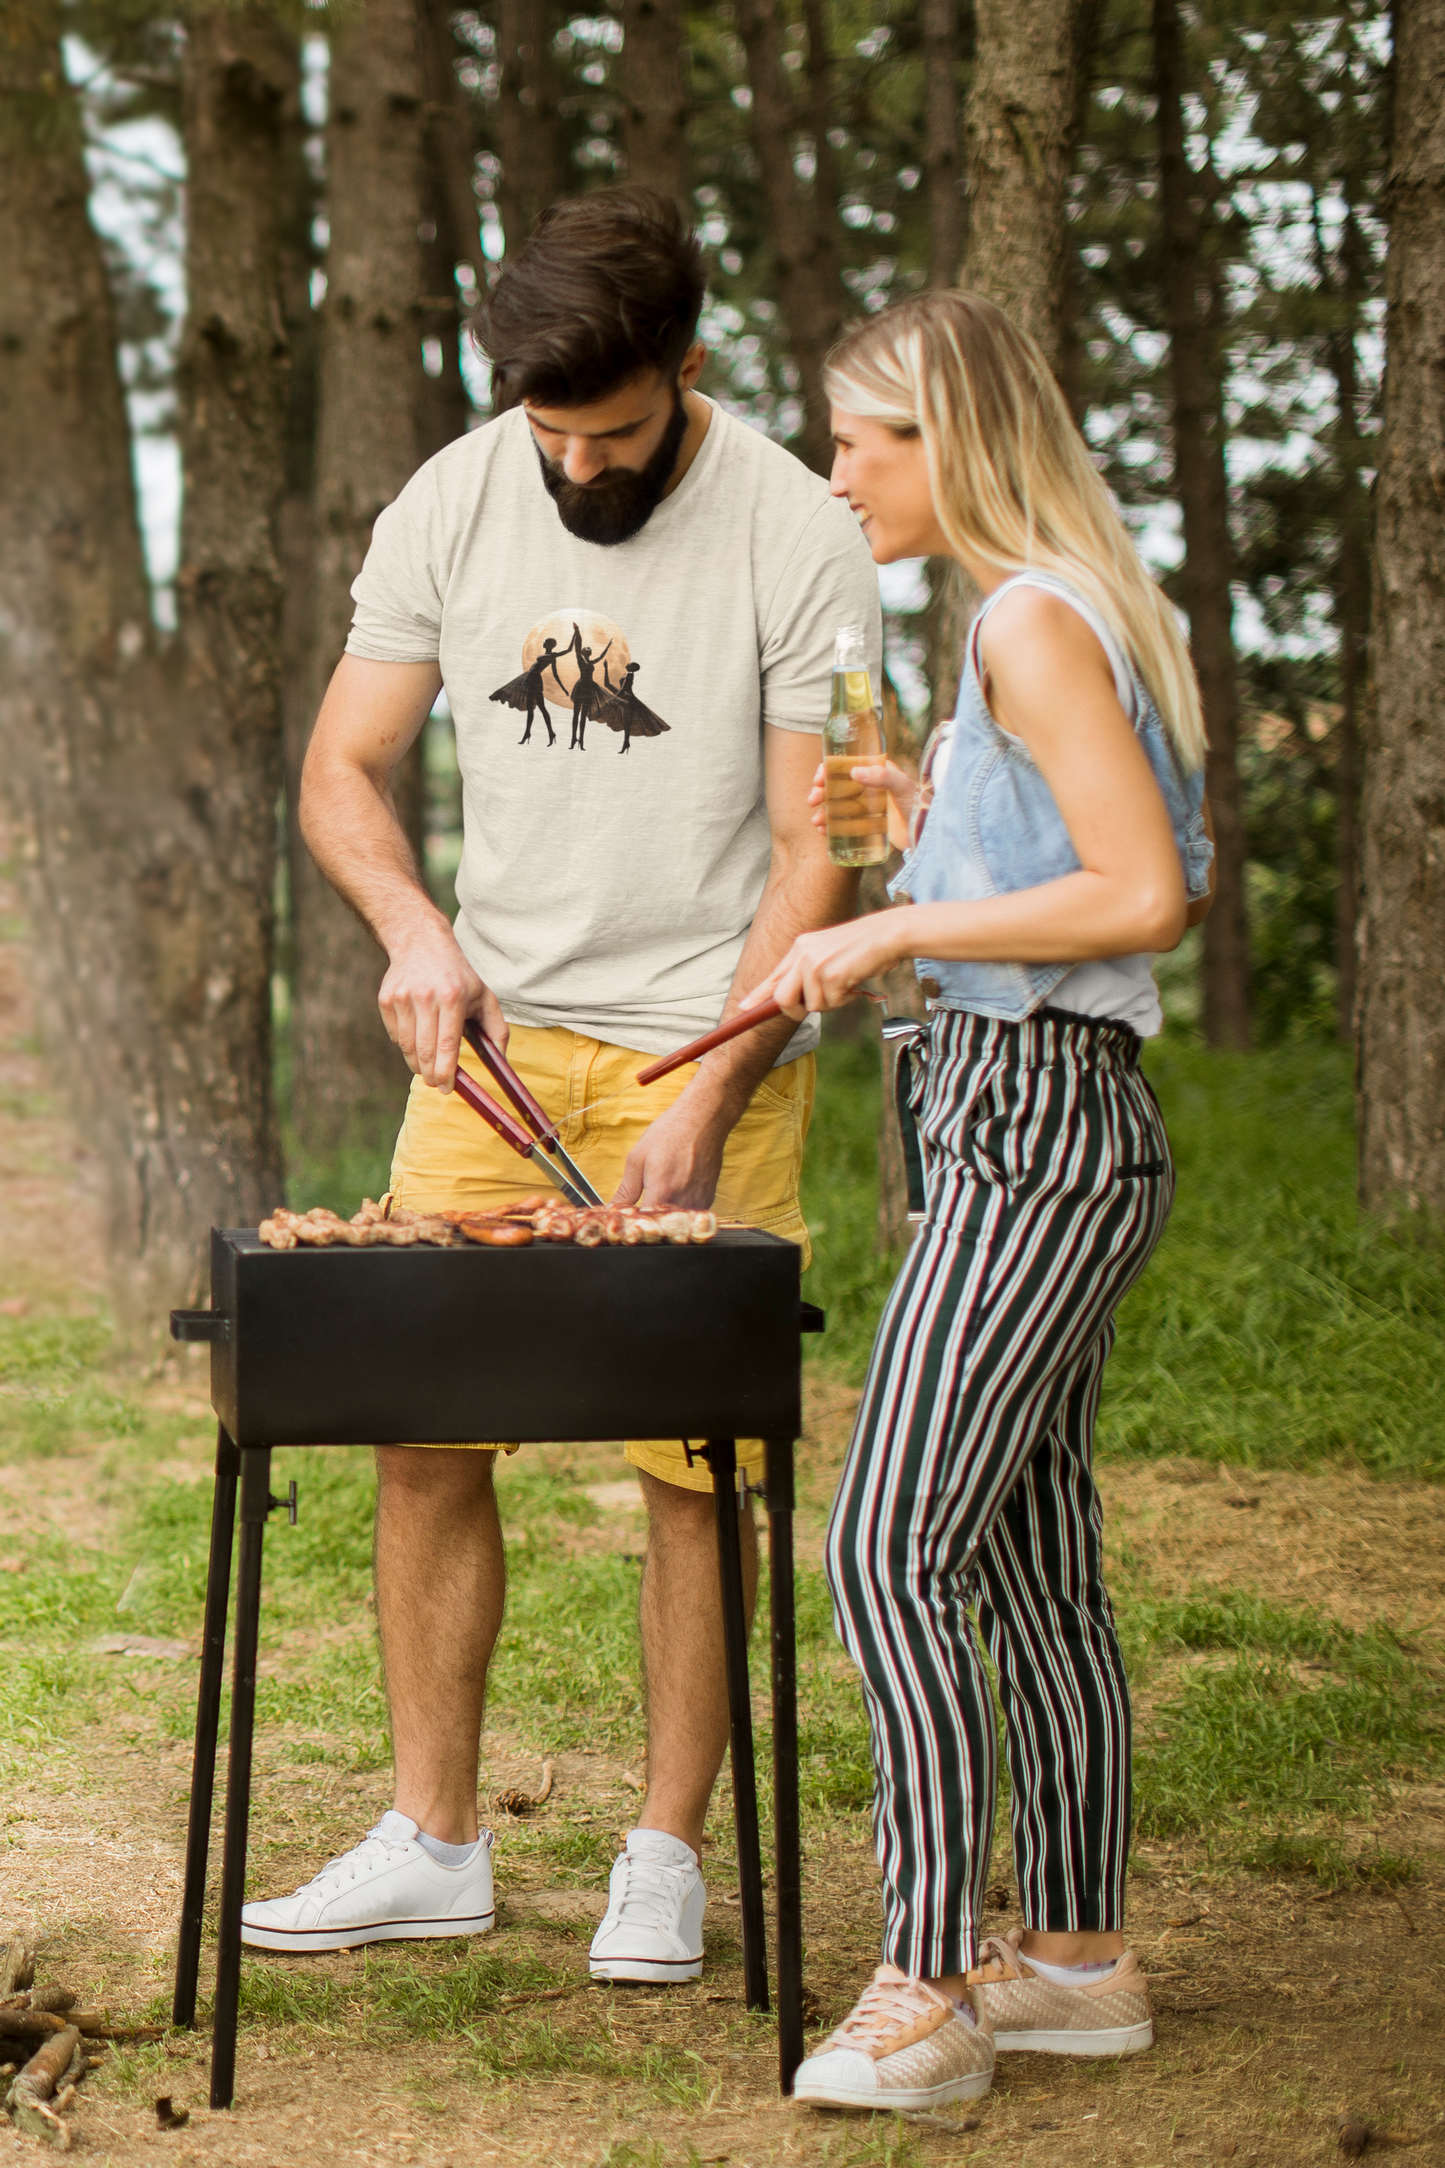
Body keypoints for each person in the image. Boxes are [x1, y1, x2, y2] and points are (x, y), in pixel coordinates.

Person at [238, 189, 880, 1983]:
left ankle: (663, 1857)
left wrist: (730, 1070)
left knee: (701, 1459)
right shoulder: (453, 495)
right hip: (495, 1052)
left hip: (709, 1038)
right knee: (425, 1429)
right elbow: (344, 770)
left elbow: (823, 837)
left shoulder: (803, 534)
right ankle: (435, 1839)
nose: (580, 467)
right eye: (552, 434)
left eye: (613, 431)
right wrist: (413, 928)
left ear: (687, 367)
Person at [741, 291, 1215, 2116]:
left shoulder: (1025, 616)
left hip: (1035, 1128)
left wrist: (896, 919)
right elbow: (1066, 862)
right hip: (1037, 1121)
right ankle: (1080, 1961)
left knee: (884, 1543)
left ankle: (927, 1986)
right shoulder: (1040, 618)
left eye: (864, 438)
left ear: (954, 439)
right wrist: (927, 825)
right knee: (1026, 1562)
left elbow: (1141, 896)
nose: (838, 467)